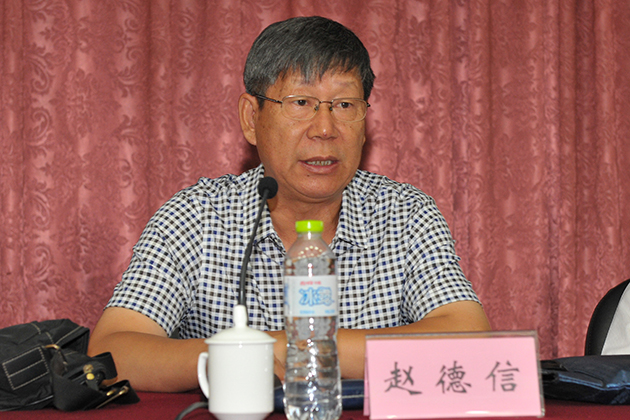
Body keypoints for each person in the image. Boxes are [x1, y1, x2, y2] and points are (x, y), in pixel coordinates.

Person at [88, 16, 491, 392]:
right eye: (300, 103)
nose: (325, 129)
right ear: (251, 118)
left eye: (344, 105)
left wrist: (291, 347)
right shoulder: (195, 217)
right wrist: (232, 358)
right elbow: (112, 351)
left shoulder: (405, 214)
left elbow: (470, 339)